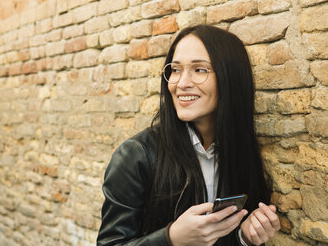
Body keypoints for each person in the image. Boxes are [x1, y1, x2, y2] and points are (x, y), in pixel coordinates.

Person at [97, 25, 280, 246]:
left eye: (199, 70)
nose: (181, 83)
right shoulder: (137, 155)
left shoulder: (240, 151)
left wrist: (244, 238)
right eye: (175, 70)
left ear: (229, 78)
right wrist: (171, 238)